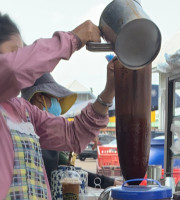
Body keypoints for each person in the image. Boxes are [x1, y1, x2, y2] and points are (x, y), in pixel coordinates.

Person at [0, 12, 116, 199]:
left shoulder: (25, 112)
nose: (20, 57)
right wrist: (74, 38)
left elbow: (74, 135)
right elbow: (12, 69)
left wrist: (109, 91)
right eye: (14, 51)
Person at [21, 72, 121, 189]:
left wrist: (109, 183)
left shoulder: (47, 134)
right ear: (39, 97)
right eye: (56, 99)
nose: (58, 104)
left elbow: (69, 173)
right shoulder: (24, 129)